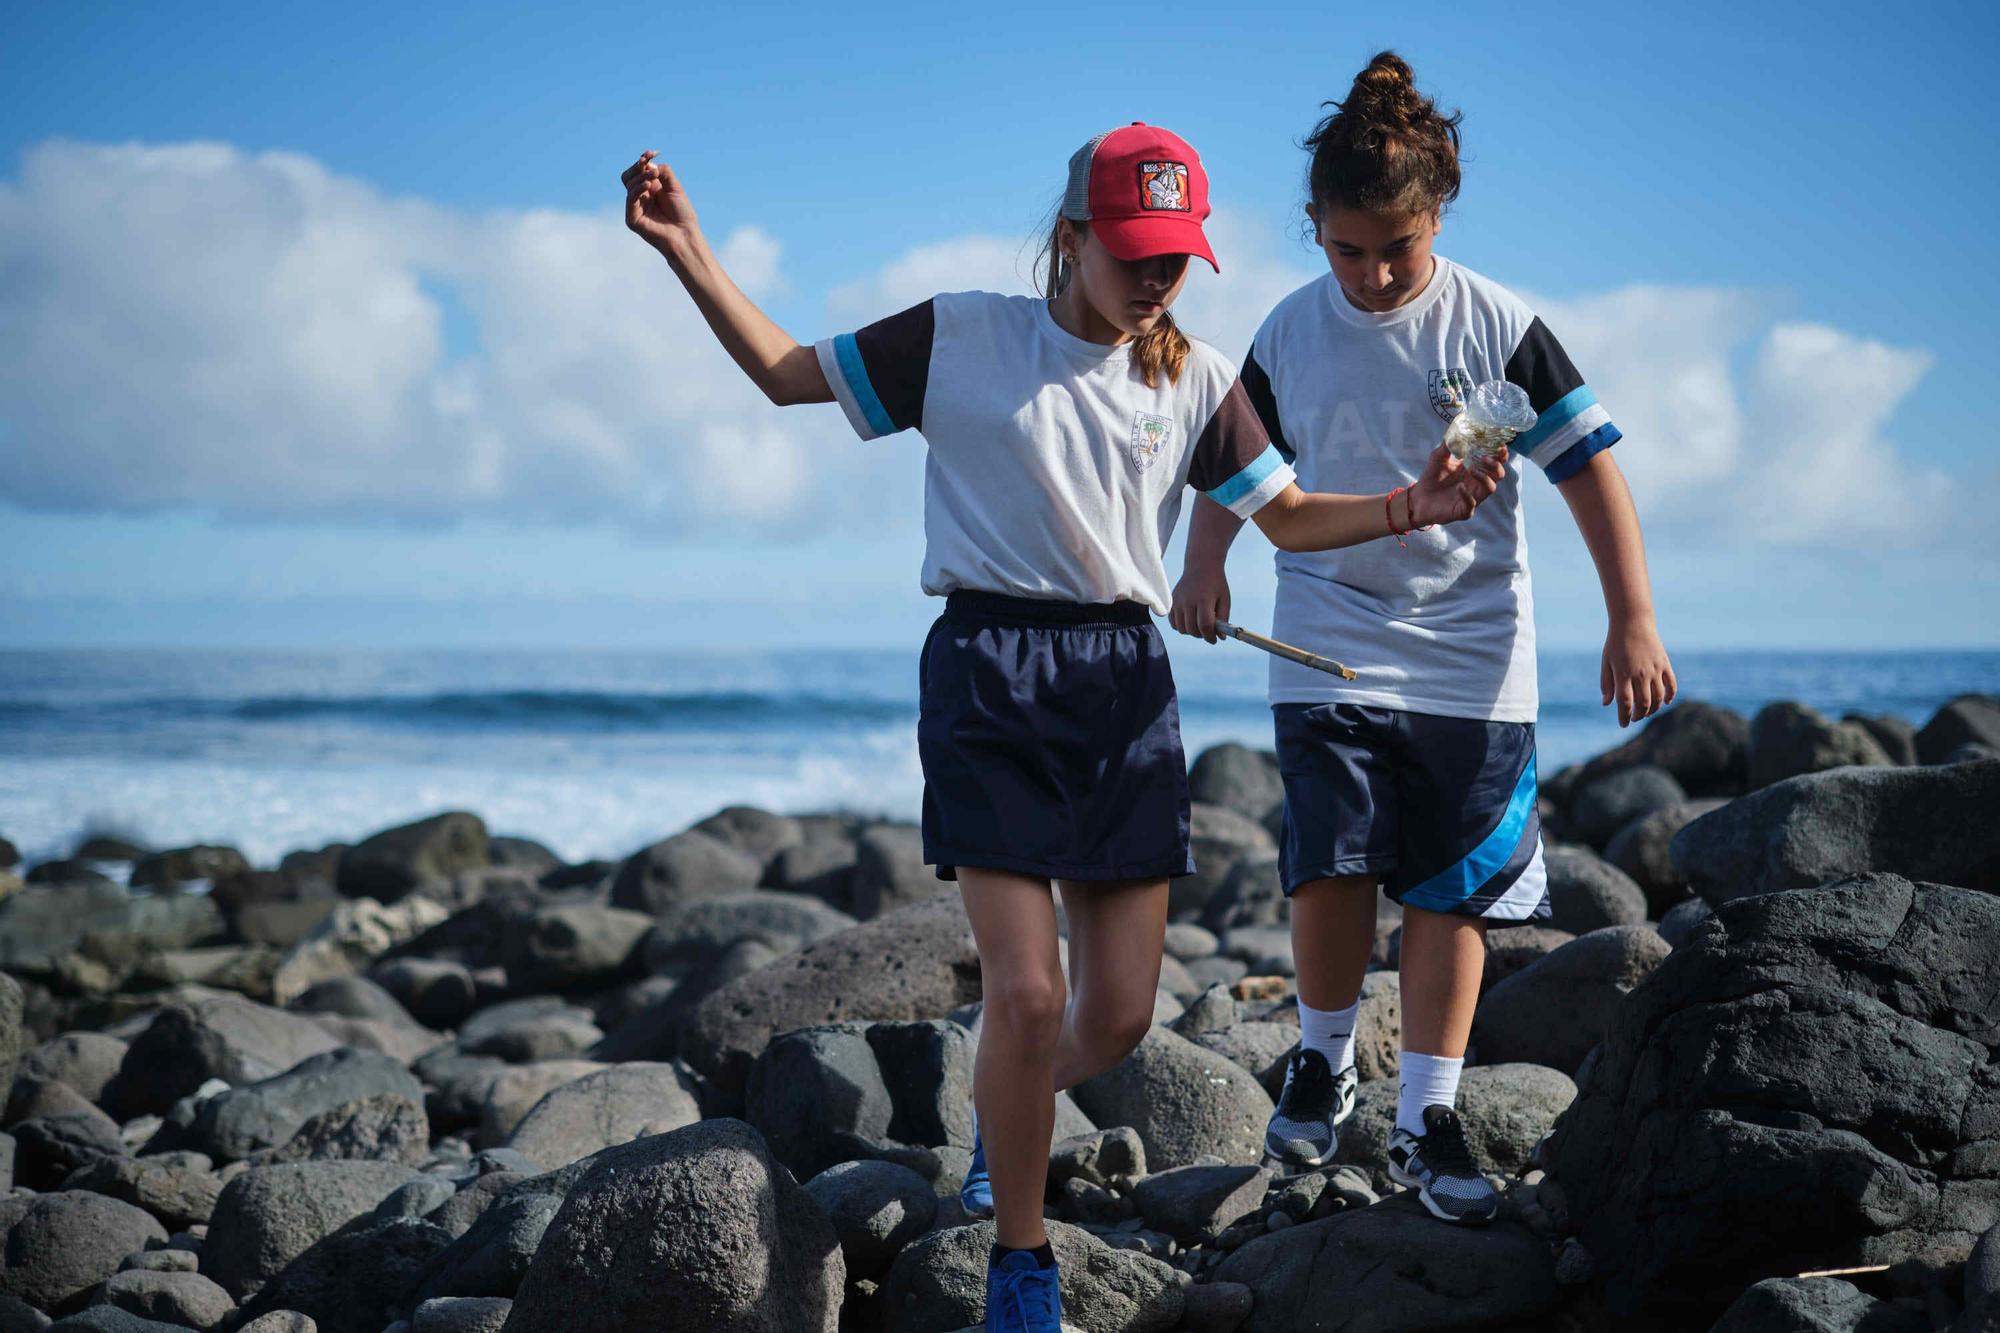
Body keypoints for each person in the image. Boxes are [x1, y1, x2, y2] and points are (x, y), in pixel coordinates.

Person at [622, 121, 1503, 1329]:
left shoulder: (1192, 380)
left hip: (1122, 686)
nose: (1154, 279)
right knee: (1028, 996)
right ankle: (1020, 1266)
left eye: (1173, 258)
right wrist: (687, 249)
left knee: (1118, 1017)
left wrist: (1416, 502)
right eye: (1132, 253)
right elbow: (783, 371)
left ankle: (1005, 1112)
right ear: (1073, 237)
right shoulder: (959, 335)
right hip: (988, 670)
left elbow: (1288, 517)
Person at [1171, 52, 1676, 1225]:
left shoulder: (1499, 322)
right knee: (1328, 858)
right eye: (1346, 249)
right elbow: (1231, 463)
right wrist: (1204, 563)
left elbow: (1589, 470)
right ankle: (1321, 1053)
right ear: (1313, 229)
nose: (1372, 271)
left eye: (1394, 247)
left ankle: (1426, 1116)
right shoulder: (1289, 329)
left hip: (1470, 653)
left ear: (1434, 216)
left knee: (1450, 894)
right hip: (1323, 632)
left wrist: (1630, 615)